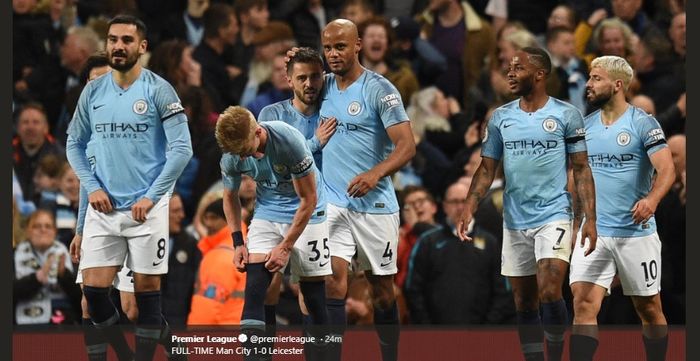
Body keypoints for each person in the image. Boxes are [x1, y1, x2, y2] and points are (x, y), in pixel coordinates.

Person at [65, 14, 193, 361]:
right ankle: (127, 352)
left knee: (145, 298)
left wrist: (153, 197)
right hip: (103, 208)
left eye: (126, 40)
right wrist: (91, 187)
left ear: (142, 47)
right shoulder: (93, 91)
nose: (118, 46)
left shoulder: (159, 89)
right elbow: (74, 143)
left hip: (146, 209)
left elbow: (183, 149)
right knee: (93, 293)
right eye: (112, 39)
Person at [456, 47, 597, 361]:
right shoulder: (501, 117)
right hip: (515, 218)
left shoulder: (566, 115)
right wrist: (469, 205)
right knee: (524, 302)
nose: (510, 73)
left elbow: (581, 168)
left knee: (550, 289)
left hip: (554, 213)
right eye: (508, 67)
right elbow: (487, 167)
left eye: (518, 68)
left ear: (540, 74)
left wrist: (589, 219)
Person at [319, 19, 416, 361]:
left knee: (382, 292)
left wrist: (376, 173)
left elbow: (407, 145)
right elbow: (296, 82)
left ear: (358, 45)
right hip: (333, 202)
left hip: (375, 206)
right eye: (327, 47)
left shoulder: (380, 89)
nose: (332, 54)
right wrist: (294, 59)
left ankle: (389, 354)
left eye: (340, 46)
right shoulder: (322, 86)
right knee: (332, 280)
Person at [568, 56, 674, 361]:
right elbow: (576, 178)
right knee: (584, 304)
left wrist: (651, 200)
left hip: (635, 234)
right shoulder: (585, 127)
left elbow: (667, 170)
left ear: (617, 85)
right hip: (596, 233)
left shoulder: (642, 123)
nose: (589, 84)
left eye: (596, 78)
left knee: (649, 309)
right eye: (589, 77)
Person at [216, 106, 331, 359]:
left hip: (310, 212)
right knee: (255, 290)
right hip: (267, 211)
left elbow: (308, 199)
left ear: (258, 132)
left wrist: (286, 246)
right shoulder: (232, 154)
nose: (244, 159)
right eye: (238, 155)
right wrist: (238, 242)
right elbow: (230, 197)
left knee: (312, 298)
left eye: (247, 152)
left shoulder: (289, 142)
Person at [404, 181, 515, 325]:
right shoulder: (427, 242)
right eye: (454, 202)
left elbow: (503, 291)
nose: (460, 207)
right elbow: (413, 289)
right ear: (444, 206)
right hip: (435, 335)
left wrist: (487, 328)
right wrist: (427, 328)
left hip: (481, 335)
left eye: (465, 201)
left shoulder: (490, 243)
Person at [14, 210, 81, 325]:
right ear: (28, 231)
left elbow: (81, 299)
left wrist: (63, 275)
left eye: (48, 226)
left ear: (55, 231)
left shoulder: (72, 255)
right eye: (36, 226)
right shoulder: (13, 255)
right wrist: (37, 278)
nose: (43, 230)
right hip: (23, 325)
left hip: (64, 321)